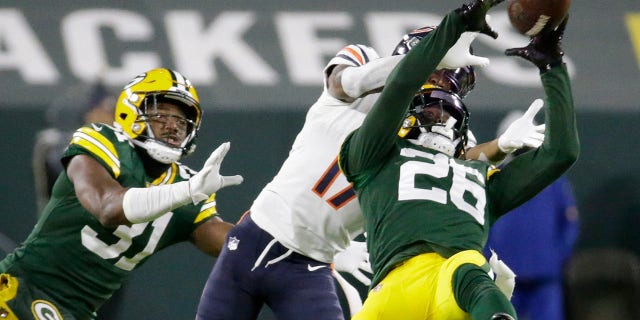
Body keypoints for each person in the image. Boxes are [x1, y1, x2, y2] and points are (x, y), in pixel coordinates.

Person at [195, 8, 544, 320]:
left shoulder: (438, 134)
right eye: (438, 72)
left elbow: (458, 166)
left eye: (450, 79)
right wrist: (429, 54)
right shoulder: (363, 73)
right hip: (257, 237)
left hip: (311, 264)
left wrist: (502, 146)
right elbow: (344, 82)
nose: (441, 86)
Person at [339, 0, 579, 318]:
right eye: (428, 110)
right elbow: (401, 84)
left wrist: (552, 67)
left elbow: (561, 153)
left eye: (444, 112)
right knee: (468, 267)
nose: (438, 117)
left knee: (468, 266)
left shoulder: (481, 176)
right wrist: (460, 19)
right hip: (392, 292)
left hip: (452, 292)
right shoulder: (373, 154)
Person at [0, 68, 243, 320]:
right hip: (21, 292)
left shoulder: (189, 183)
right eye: (161, 114)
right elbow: (108, 208)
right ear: (131, 111)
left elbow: (234, 245)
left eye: (181, 121)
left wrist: (274, 229)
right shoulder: (102, 141)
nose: (172, 125)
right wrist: (187, 191)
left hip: (76, 313)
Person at [484, 112, 579, 320]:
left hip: (544, 275)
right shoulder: (492, 179)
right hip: (503, 274)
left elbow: (569, 224)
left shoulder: (554, 181)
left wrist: (557, 255)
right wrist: (486, 260)